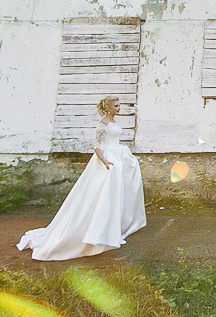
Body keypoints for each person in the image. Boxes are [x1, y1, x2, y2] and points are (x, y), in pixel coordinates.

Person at [17, 96, 146, 260]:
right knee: (103, 194)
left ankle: (113, 226)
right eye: (116, 106)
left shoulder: (113, 122)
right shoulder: (103, 124)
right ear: (108, 108)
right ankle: (97, 231)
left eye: (119, 105)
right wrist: (105, 162)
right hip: (107, 159)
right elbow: (97, 146)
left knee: (116, 193)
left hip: (118, 155)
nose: (119, 108)